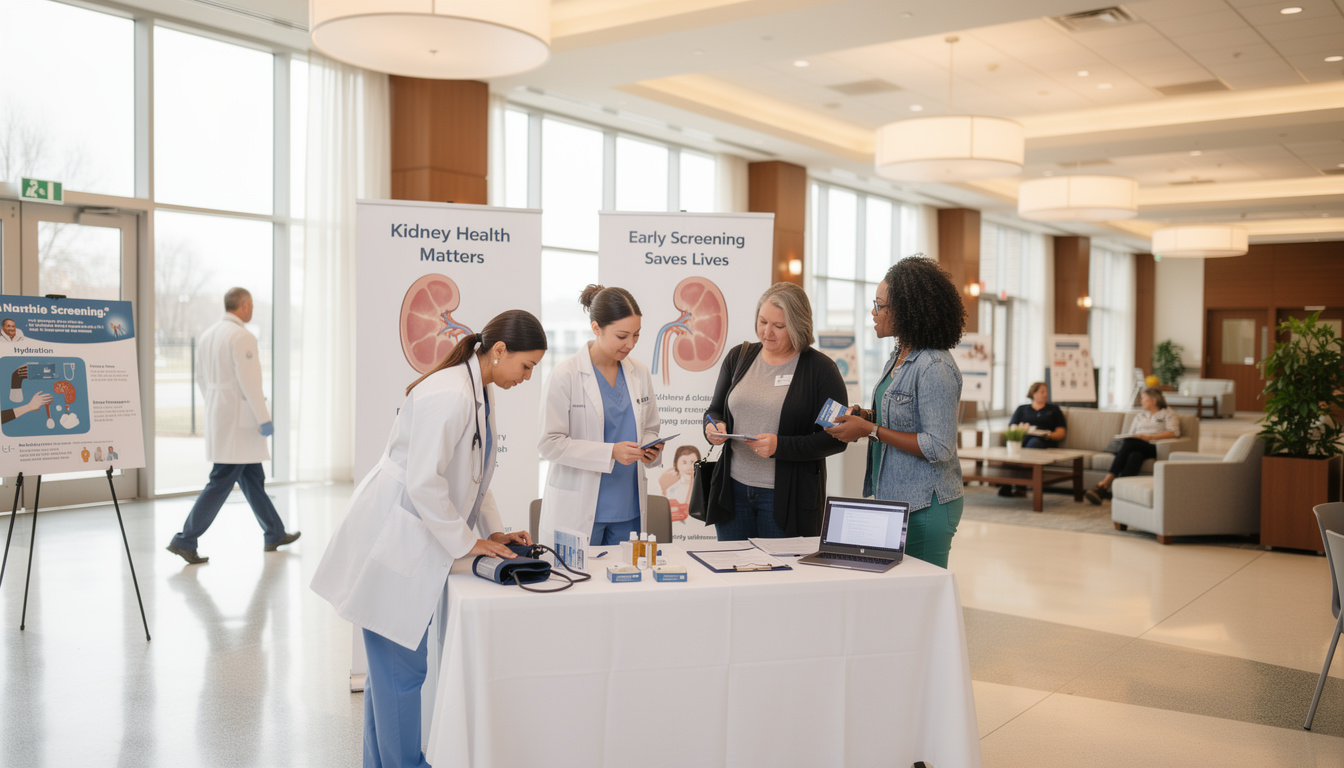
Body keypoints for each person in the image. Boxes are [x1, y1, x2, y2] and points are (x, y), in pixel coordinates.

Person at [310, 310, 544, 768]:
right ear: (499, 352)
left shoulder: (479, 392)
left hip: (411, 535)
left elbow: (477, 473)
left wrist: (491, 530)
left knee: (390, 676)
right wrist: (468, 542)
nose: (527, 376)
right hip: (393, 537)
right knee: (401, 673)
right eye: (527, 365)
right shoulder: (451, 394)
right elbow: (423, 483)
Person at [825, 256, 966, 568]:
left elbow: (939, 446)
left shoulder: (934, 366)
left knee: (920, 600)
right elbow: (904, 417)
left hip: (926, 505)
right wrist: (866, 417)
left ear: (905, 310)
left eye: (879, 305)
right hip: (896, 499)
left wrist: (871, 431)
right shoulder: (898, 356)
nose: (872, 313)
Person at [703, 282, 847, 539]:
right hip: (732, 493)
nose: (767, 332)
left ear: (798, 325)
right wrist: (713, 427)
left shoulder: (821, 370)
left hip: (787, 499)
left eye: (779, 326)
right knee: (733, 573)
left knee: (781, 574)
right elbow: (714, 410)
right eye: (762, 322)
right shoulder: (739, 357)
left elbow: (836, 439)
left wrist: (781, 447)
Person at [166, 287, 299, 565]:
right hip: (241, 422)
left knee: (252, 478)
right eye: (251, 306)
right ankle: (185, 539)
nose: (252, 311)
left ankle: (274, 532)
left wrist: (218, 405)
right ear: (244, 305)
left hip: (221, 414)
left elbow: (201, 379)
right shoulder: (242, 336)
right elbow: (250, 383)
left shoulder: (208, 335)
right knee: (222, 480)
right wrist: (264, 418)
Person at [539, 285, 663, 547]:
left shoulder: (639, 373)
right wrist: (610, 452)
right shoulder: (566, 376)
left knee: (628, 581)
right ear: (596, 328)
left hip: (628, 506)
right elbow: (549, 444)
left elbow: (650, 428)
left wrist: (652, 447)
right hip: (580, 507)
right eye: (622, 336)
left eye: (636, 335)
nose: (630, 344)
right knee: (579, 584)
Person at [1085, 386, 1181, 505]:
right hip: (1136, 446)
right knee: (1134, 456)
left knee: (1130, 444)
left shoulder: (1168, 414)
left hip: (1154, 447)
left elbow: (1174, 433)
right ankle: (1117, 492)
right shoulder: (1140, 415)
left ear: (1153, 400)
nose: (1141, 402)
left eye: (1144, 399)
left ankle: (1105, 483)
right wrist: (1136, 437)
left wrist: (1149, 437)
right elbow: (1131, 433)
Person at [999, 381, 1068, 496]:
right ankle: (1006, 484)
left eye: (1046, 392)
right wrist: (1021, 428)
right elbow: (1011, 427)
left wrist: (1047, 434)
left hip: (1043, 440)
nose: (1045, 394)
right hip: (1024, 437)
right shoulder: (1022, 409)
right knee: (1013, 447)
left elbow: (1061, 433)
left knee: (1032, 444)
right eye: (1042, 392)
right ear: (1034, 394)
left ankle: (1021, 486)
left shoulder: (1054, 410)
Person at [659, 444, 701, 522]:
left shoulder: (702, 487)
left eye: (692, 462)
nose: (689, 467)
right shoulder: (672, 488)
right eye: (684, 462)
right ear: (675, 465)